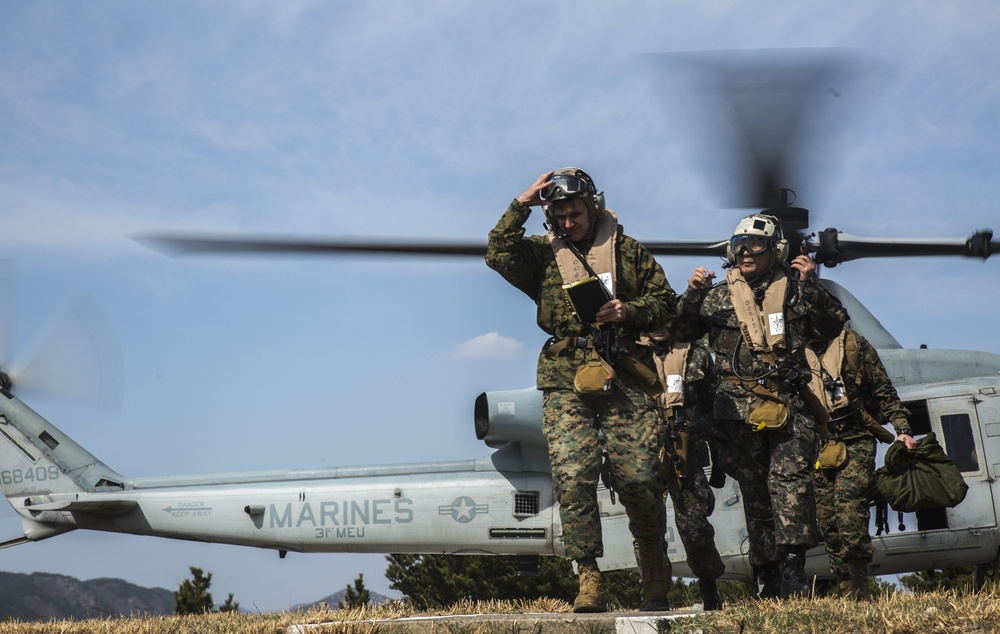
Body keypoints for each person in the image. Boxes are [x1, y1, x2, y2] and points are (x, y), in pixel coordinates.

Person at [486, 168, 678, 612]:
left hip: (625, 373)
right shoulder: (541, 256)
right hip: (564, 378)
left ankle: (652, 563)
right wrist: (521, 204)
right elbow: (497, 253)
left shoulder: (627, 253)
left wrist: (627, 311)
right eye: (559, 215)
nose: (568, 222)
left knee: (641, 478)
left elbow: (667, 304)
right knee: (573, 477)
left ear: (591, 207)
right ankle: (589, 579)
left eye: (574, 213)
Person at [672, 213, 849, 599]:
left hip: (790, 404)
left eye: (754, 245)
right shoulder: (717, 296)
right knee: (755, 491)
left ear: (775, 250)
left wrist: (812, 285)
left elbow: (834, 325)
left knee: (788, 483)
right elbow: (679, 332)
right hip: (736, 412)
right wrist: (692, 294)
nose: (745, 252)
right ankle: (767, 573)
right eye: (738, 246)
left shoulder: (796, 290)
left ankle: (793, 571)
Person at [807, 327, 916, 600]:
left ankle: (858, 586)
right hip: (820, 444)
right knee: (828, 520)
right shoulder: (793, 351)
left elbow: (883, 389)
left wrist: (903, 429)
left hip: (857, 437)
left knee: (850, 510)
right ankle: (846, 585)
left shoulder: (853, 345)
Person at [643, 329, 726, 610]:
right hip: (645, 450)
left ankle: (709, 590)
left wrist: (718, 457)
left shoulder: (698, 355)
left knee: (695, 525)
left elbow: (713, 407)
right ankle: (655, 596)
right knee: (647, 527)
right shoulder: (631, 353)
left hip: (687, 451)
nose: (659, 325)